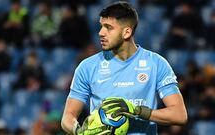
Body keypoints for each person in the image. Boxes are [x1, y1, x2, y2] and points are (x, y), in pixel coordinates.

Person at [61, 2, 187, 135]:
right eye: (101, 26)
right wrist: (79, 131)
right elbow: (68, 117)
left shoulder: (156, 64)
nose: (101, 33)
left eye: (108, 27)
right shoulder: (87, 67)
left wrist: (136, 111)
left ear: (127, 32)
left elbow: (179, 115)